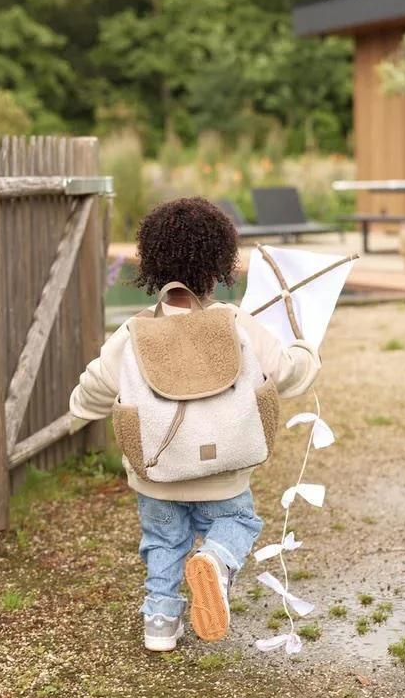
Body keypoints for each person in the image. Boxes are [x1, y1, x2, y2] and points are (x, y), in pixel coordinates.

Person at [68, 197, 321, 652]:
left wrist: (78, 409)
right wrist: (307, 350)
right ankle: (215, 560)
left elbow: (96, 385)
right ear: (220, 265)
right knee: (238, 521)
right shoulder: (236, 324)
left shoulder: (134, 334)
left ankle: (161, 622)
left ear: (153, 264)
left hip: (159, 474)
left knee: (162, 541)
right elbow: (287, 373)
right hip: (225, 473)